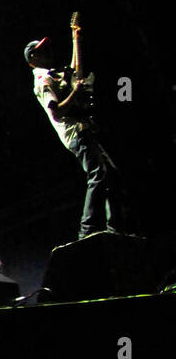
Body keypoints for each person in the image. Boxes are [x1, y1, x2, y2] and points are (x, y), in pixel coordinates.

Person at [25, 38, 118, 238]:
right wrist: (75, 92)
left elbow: (74, 70)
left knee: (109, 173)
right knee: (99, 174)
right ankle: (87, 231)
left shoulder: (53, 74)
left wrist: (75, 38)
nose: (48, 51)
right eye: (42, 50)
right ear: (33, 58)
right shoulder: (43, 80)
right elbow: (56, 112)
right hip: (75, 133)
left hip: (83, 129)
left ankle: (115, 227)